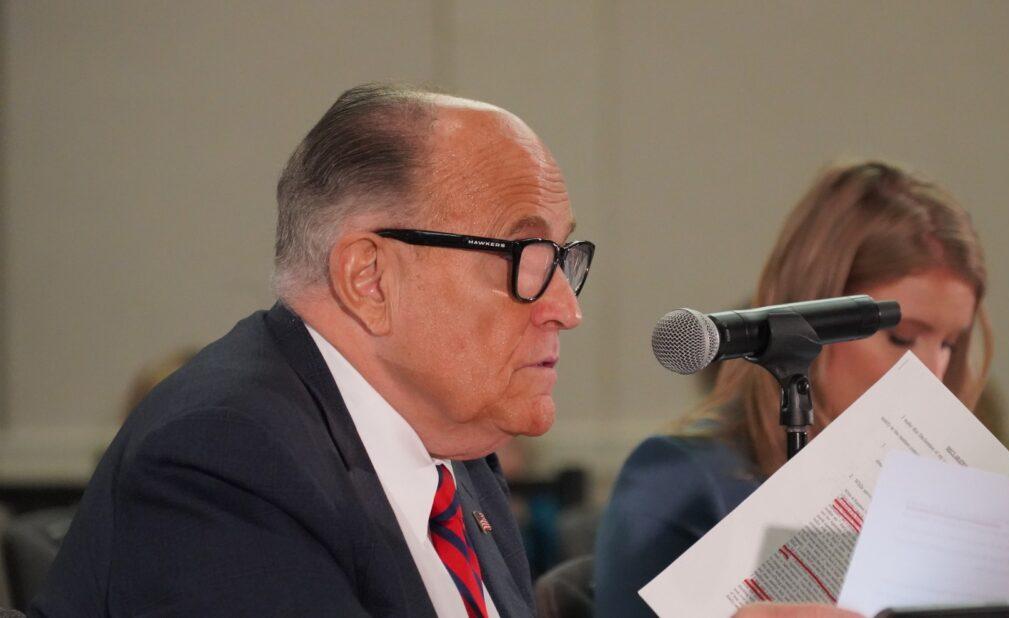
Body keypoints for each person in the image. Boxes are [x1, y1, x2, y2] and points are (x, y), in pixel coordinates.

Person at [31, 84, 594, 617]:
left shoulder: (459, 449)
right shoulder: (223, 459)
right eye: (529, 257)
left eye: (563, 258)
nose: (566, 309)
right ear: (369, 278)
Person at [594, 160, 990, 617]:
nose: (931, 375)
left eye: (950, 345)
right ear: (812, 320)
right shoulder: (681, 482)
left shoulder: (937, 503)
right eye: (900, 338)